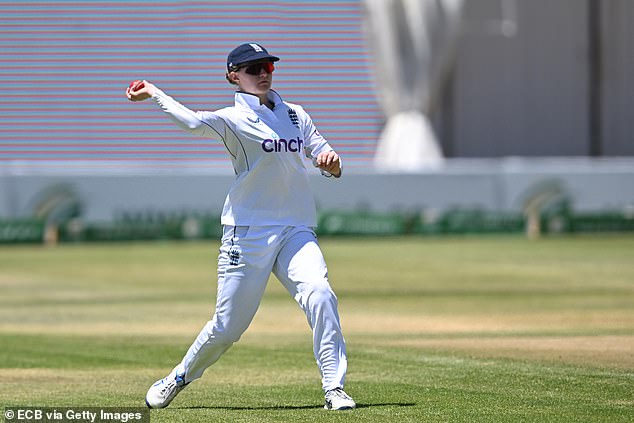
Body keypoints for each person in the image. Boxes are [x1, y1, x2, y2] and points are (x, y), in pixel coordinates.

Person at [125, 42, 356, 411]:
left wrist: (331, 162)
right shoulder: (232, 119)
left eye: (267, 66)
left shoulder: (295, 114)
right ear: (234, 75)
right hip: (248, 233)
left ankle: (334, 388)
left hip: (295, 229)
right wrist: (154, 92)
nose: (262, 73)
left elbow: (329, 160)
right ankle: (179, 377)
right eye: (252, 69)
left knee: (320, 293)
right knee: (228, 328)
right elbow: (191, 121)